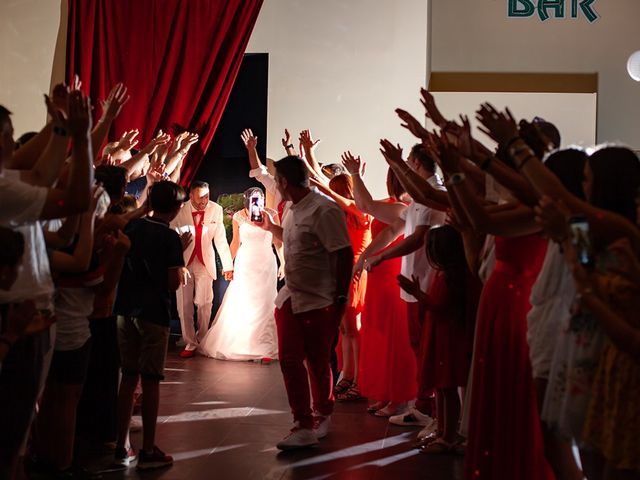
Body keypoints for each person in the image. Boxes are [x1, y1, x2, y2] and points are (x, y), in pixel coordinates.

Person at [257, 155, 353, 450]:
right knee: (288, 360)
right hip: (290, 295)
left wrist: (339, 299)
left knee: (317, 361)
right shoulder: (289, 208)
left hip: (318, 299)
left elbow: (344, 253)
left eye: (277, 181)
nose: (276, 185)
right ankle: (302, 422)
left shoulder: (325, 210)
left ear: (284, 182)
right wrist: (271, 228)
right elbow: (293, 239)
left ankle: (322, 412)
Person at [112, 181, 190, 470]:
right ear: (177, 207)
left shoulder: (133, 227)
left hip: (124, 307)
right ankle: (148, 449)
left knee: (128, 377)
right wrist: (178, 259)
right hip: (153, 311)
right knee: (151, 379)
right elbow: (171, 282)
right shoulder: (169, 238)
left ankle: (120, 445)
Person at [199, 188, 281, 360]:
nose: (257, 202)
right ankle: (241, 343)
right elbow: (235, 242)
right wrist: (228, 265)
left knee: (266, 303)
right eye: (253, 199)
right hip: (246, 262)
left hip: (266, 262)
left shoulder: (271, 214)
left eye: (260, 198)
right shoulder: (239, 216)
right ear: (247, 200)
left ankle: (266, 346)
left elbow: (277, 240)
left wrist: (284, 262)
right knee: (243, 301)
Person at [170, 180, 233, 358]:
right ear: (191, 196)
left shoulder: (216, 209)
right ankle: (190, 341)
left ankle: (203, 337)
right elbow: (171, 236)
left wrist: (227, 265)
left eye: (207, 196)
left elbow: (220, 239)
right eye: (200, 197)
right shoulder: (179, 209)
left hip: (205, 262)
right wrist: (175, 260)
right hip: (183, 262)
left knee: (205, 302)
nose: (204, 201)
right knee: (184, 305)